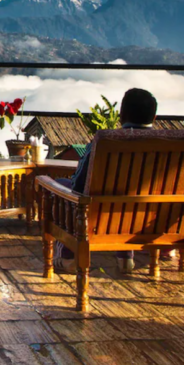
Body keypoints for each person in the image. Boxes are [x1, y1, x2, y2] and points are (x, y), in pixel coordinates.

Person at [56, 88, 158, 275]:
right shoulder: (174, 145)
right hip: (151, 217)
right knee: (128, 203)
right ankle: (125, 257)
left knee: (61, 187)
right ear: (154, 117)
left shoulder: (104, 141)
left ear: (121, 115)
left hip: (102, 215)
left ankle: (67, 257)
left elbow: (79, 185)